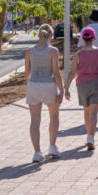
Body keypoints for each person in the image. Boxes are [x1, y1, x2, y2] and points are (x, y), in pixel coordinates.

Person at [65, 27, 98, 151]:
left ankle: (88, 135)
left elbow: (72, 72)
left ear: (83, 39)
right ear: (94, 38)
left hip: (82, 85)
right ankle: (91, 137)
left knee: (86, 111)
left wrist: (66, 88)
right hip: (96, 83)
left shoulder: (78, 55)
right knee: (94, 112)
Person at [24, 24, 63, 162]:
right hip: (48, 85)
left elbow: (27, 73)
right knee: (54, 116)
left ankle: (37, 152)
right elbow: (56, 73)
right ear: (51, 36)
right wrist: (62, 90)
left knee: (34, 120)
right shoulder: (53, 51)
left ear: (38, 35)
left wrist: (29, 87)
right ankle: (52, 146)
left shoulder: (29, 51)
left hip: (33, 85)